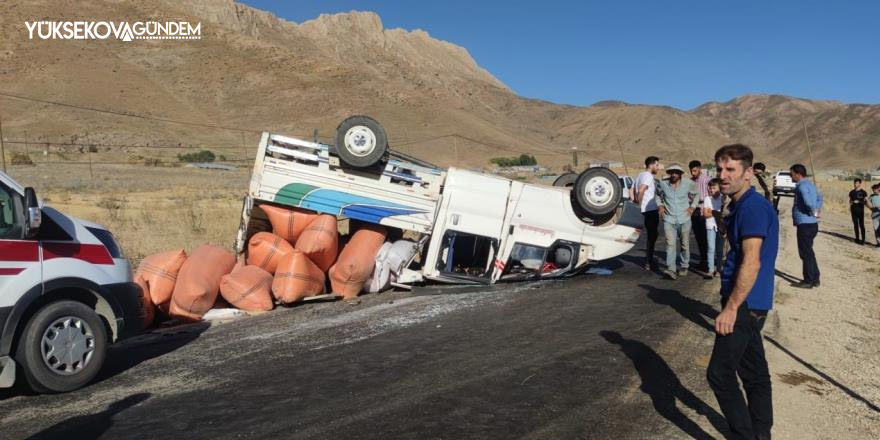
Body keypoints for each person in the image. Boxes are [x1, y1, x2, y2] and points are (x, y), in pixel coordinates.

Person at [706, 144, 778, 440]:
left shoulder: (752, 207)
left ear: (748, 173)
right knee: (754, 373)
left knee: (719, 374)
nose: (723, 175)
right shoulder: (741, 206)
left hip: (745, 303)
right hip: (751, 302)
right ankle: (761, 434)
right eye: (720, 169)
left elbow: (752, 260)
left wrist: (732, 307)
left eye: (730, 170)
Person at [655, 163, 699, 280]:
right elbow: (657, 195)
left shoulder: (688, 184)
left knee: (685, 244)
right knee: (670, 244)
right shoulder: (663, 184)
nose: (674, 174)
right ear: (669, 173)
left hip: (684, 218)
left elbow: (697, 194)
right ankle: (671, 269)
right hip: (669, 219)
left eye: (676, 172)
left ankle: (684, 265)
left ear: (680, 174)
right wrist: (660, 205)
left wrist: (692, 207)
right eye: (672, 172)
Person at [789, 164, 821, 288]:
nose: (790, 176)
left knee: (805, 253)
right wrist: (816, 212)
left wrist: (812, 211)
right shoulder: (811, 185)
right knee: (809, 252)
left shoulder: (801, 187)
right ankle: (815, 278)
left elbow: (808, 203)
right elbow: (820, 197)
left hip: (805, 225)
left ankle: (808, 281)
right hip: (812, 224)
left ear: (797, 174)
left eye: (791, 174)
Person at [635, 156, 662, 270]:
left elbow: (632, 190)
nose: (658, 167)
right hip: (650, 210)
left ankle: (648, 260)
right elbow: (641, 190)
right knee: (652, 236)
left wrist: (636, 203)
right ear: (651, 165)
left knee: (652, 235)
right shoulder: (648, 176)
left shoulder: (639, 175)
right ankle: (648, 262)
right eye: (657, 165)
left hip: (644, 210)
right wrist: (640, 203)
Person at [690, 160, 711, 273]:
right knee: (699, 238)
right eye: (691, 171)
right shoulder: (690, 182)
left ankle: (709, 263)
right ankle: (703, 260)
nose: (693, 173)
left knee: (706, 238)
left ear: (699, 168)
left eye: (695, 170)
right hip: (695, 212)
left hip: (705, 212)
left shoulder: (707, 180)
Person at [704, 178, 725, 278]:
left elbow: (723, 214)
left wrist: (712, 212)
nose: (711, 190)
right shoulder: (707, 199)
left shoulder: (723, 199)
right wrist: (716, 213)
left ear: (719, 188)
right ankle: (710, 269)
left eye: (714, 188)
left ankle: (719, 268)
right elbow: (705, 214)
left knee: (720, 249)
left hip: (720, 227)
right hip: (710, 226)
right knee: (711, 248)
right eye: (710, 188)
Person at [848, 179, 868, 245]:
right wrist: (851, 202)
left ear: (860, 183)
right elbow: (850, 201)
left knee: (861, 225)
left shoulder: (863, 192)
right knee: (855, 225)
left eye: (857, 183)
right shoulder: (851, 192)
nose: (855, 184)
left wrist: (859, 201)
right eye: (854, 183)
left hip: (860, 211)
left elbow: (865, 202)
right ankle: (857, 239)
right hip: (853, 211)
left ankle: (863, 240)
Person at [867, 183, 880, 248]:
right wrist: (871, 208)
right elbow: (867, 204)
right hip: (874, 216)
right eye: (873, 190)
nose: (873, 191)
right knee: (876, 229)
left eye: (874, 189)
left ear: (878, 188)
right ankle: (879, 243)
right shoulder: (871, 196)